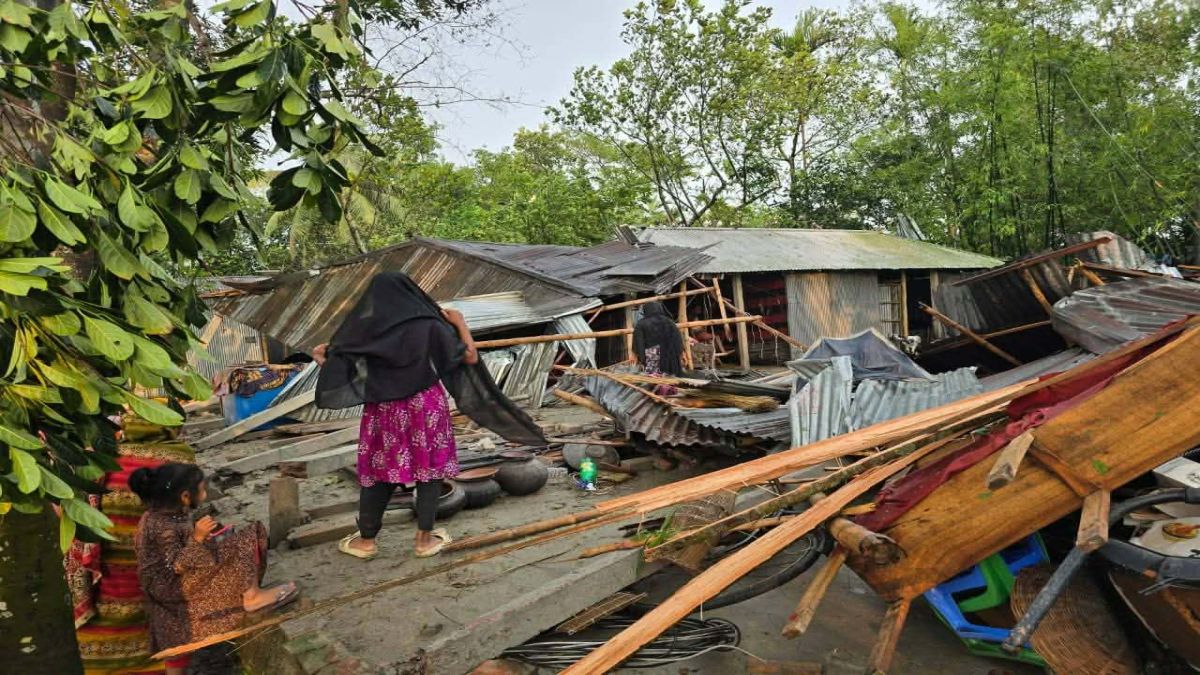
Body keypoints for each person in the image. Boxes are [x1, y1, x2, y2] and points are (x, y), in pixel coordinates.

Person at [312, 272, 491, 560]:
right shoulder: (429, 324)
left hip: (385, 409)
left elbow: (341, 367)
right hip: (425, 405)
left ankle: (366, 542)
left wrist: (323, 359)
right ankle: (424, 540)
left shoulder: (365, 329)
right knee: (429, 468)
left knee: (380, 470)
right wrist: (459, 323)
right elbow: (469, 356)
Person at [131, 463, 298, 675]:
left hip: (167, 585)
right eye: (201, 490)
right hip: (172, 589)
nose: (204, 494)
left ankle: (247, 591)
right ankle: (252, 596)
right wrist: (199, 538)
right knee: (245, 538)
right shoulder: (163, 526)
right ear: (184, 496)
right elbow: (175, 565)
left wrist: (203, 539)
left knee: (231, 539)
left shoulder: (161, 516)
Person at [633, 302, 684, 376]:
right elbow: (678, 340)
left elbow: (639, 343)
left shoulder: (641, 324)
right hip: (670, 357)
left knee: (655, 380)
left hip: (653, 357)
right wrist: (679, 354)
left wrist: (642, 359)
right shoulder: (670, 322)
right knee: (671, 378)